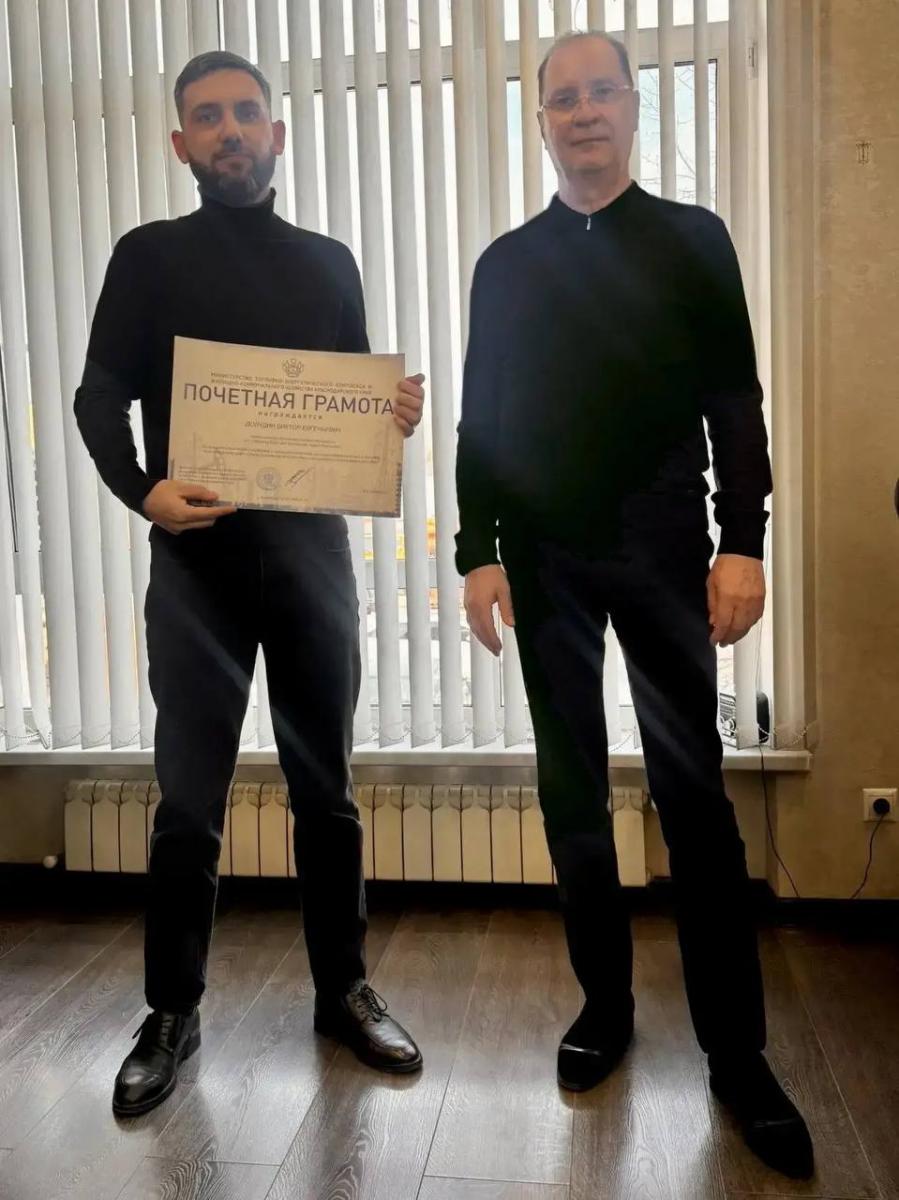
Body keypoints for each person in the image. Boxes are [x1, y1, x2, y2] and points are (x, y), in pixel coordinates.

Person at [455, 31, 813, 1180]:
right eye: (561, 98)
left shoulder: (691, 240)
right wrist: (475, 553)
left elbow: (734, 403)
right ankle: (602, 1007)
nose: (581, 112)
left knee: (691, 799)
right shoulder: (505, 265)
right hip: (543, 563)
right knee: (571, 797)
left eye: (599, 91)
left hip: (663, 553)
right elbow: (479, 418)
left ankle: (737, 1054)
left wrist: (742, 541)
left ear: (631, 107)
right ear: (541, 122)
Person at [75, 51, 426, 1118]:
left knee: (328, 793)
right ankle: (171, 1011)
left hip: (313, 560)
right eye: (206, 117)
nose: (228, 130)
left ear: (275, 133)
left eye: (243, 113)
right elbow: (97, 397)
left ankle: (342, 989)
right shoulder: (147, 256)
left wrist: (390, 417)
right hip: (197, 566)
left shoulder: (329, 263)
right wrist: (143, 492)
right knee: (188, 801)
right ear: (180, 143)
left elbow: (357, 402)